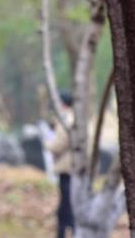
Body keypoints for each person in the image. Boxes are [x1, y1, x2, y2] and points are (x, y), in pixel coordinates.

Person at [46, 91, 75, 238]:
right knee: (65, 205)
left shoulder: (66, 120)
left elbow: (58, 144)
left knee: (66, 206)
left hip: (67, 169)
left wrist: (47, 144)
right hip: (70, 169)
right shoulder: (72, 118)